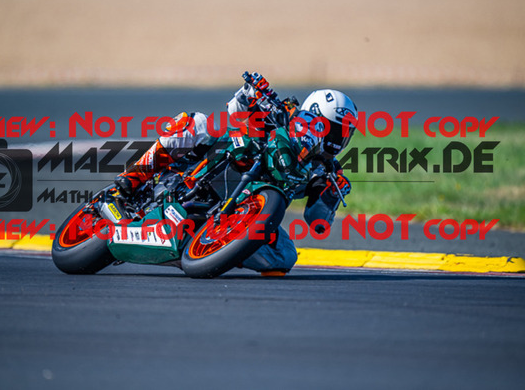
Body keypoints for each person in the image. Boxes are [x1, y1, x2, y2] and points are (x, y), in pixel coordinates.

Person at [114, 72, 358, 275]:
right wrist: (250, 92)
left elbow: (317, 222)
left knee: (284, 256)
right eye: (336, 130)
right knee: (198, 123)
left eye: (345, 133)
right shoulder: (284, 113)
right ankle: (134, 176)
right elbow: (235, 110)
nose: (338, 140)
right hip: (220, 163)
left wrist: (330, 197)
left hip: (243, 211)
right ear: (316, 117)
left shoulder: (327, 171)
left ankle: (209, 249)